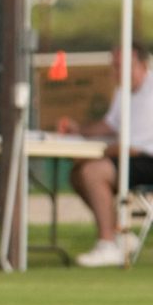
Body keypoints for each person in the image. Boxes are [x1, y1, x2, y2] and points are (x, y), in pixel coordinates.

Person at [57, 42, 153, 267]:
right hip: (131, 158)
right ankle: (119, 234)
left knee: (93, 171)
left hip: (148, 159)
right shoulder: (122, 91)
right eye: (115, 66)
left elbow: (134, 146)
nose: (116, 72)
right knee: (78, 174)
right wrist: (79, 130)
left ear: (142, 65)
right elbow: (110, 126)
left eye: (121, 66)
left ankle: (107, 243)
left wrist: (95, 154)